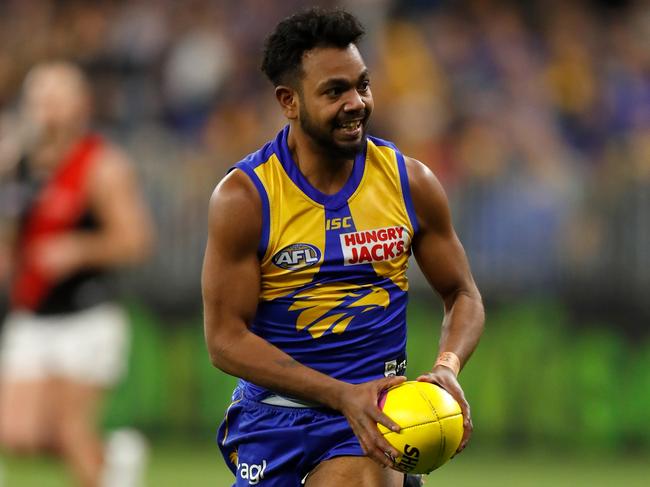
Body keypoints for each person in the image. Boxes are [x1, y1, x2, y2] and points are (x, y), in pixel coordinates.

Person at [202, 8, 484, 487]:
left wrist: (446, 367)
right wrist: (339, 394)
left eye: (362, 85)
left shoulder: (409, 182)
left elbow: (463, 294)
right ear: (289, 102)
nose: (357, 103)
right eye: (335, 91)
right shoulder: (246, 197)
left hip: (378, 421)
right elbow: (225, 340)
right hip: (274, 420)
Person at [0, 62, 153, 487]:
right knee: (17, 434)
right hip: (32, 312)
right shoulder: (17, 163)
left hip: (87, 315)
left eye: (56, 98)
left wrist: (80, 249)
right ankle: (115, 461)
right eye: (39, 98)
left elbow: (136, 241)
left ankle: (101, 474)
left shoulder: (102, 165)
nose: (46, 108)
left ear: (80, 106)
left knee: (71, 428)